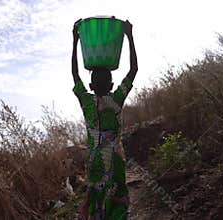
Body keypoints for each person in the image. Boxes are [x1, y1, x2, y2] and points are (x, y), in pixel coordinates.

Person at [72, 18, 138, 220]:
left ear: (91, 87)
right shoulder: (116, 100)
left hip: (94, 166)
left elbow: (75, 74)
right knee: (117, 204)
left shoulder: (86, 102)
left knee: (96, 206)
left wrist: (75, 41)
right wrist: (129, 36)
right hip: (115, 164)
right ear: (112, 85)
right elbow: (133, 70)